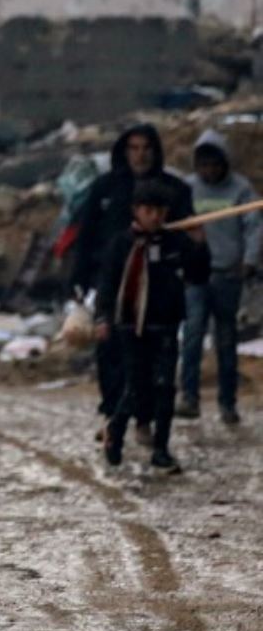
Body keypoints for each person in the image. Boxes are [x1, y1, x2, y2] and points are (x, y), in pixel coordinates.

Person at [69, 124, 193, 432]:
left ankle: (144, 418)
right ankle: (114, 413)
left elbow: (187, 241)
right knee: (110, 349)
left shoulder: (174, 191)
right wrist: (78, 277)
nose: (140, 155)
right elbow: (86, 235)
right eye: (134, 148)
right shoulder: (105, 188)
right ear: (124, 151)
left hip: (158, 285)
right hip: (111, 282)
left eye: (146, 148)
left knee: (153, 357)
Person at [95, 179, 209, 473]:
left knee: (165, 388)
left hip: (166, 323)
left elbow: (198, 274)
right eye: (148, 210)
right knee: (136, 387)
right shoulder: (122, 244)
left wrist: (199, 245)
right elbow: (107, 284)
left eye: (160, 210)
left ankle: (161, 450)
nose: (154, 216)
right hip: (131, 325)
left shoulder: (174, 242)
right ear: (136, 211)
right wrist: (103, 317)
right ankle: (115, 431)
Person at [178, 130, 259, 424]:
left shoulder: (241, 190)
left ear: (224, 163)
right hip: (196, 276)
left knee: (225, 340)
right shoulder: (187, 188)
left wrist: (249, 261)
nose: (209, 171)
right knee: (193, 335)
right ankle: (189, 397)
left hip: (227, 275)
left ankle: (228, 403)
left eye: (215, 164)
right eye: (204, 165)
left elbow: (253, 227)